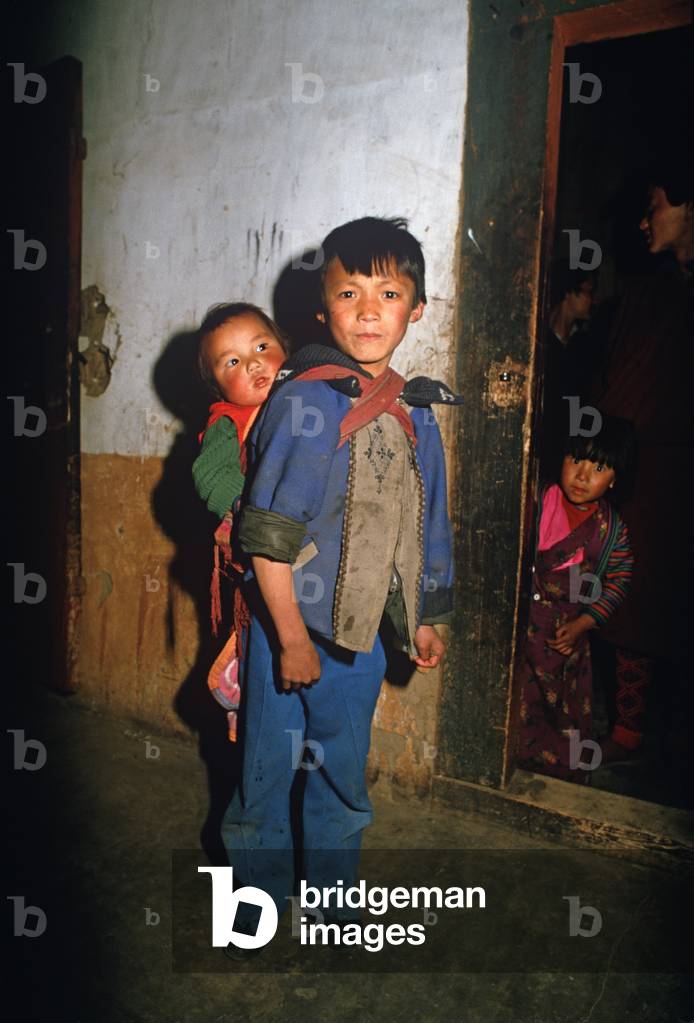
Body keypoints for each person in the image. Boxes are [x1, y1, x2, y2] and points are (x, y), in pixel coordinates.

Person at [222, 217, 461, 940]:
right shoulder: (304, 402)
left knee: (340, 773)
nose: (367, 309)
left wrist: (424, 616)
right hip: (286, 630)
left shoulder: (419, 416)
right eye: (348, 292)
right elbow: (265, 541)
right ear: (322, 309)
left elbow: (430, 531)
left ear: (416, 308)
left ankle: (330, 899)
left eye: (388, 292)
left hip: (357, 641)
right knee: (266, 769)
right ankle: (255, 907)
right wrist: (290, 640)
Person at [592, 159, 693, 762]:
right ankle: (629, 728)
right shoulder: (649, 293)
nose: (644, 219)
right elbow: (618, 388)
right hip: (649, 467)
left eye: (655, 204)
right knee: (635, 592)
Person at [518, 415, 635, 783]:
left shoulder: (611, 530)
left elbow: (617, 581)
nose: (583, 476)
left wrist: (583, 623)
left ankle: (559, 772)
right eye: (576, 460)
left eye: (598, 467)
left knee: (561, 710)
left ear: (615, 478)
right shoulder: (535, 499)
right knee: (518, 701)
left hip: (564, 640)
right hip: (520, 629)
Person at [192, 303, 288, 738]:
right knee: (262, 653)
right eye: (232, 361)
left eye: (262, 346)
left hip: (314, 562)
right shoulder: (228, 424)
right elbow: (210, 476)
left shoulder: (309, 401)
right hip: (260, 556)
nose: (253, 363)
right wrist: (250, 508)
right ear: (217, 387)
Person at [539, 257, 599, 478]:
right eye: (588, 292)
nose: (594, 300)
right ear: (568, 292)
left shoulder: (584, 345)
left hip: (567, 452)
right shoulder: (540, 343)